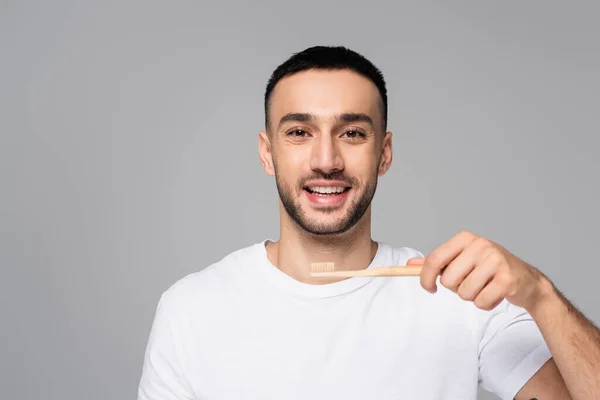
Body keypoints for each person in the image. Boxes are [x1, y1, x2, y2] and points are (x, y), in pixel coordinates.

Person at [137, 46, 600, 400]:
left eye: (353, 133)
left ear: (384, 154)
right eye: (299, 132)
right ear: (267, 153)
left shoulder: (460, 299)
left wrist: (541, 294)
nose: (326, 160)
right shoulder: (190, 311)